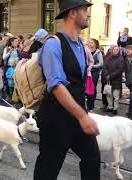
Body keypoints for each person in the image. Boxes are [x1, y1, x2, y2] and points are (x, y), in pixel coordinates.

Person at [34, 0, 100, 179]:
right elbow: (56, 86)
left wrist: (81, 115)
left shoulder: (80, 45)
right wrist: (82, 116)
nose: (88, 13)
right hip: (56, 118)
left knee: (92, 158)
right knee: (49, 167)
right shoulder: (53, 44)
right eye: (84, 9)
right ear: (72, 13)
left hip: (77, 115)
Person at [102, 46, 124, 115]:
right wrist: (107, 74)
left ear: (119, 51)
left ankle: (115, 108)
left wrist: (110, 76)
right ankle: (110, 107)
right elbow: (104, 67)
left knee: (116, 95)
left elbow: (120, 70)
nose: (115, 50)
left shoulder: (121, 59)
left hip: (116, 79)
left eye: (117, 49)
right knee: (109, 94)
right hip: (108, 80)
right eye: (114, 49)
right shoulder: (109, 58)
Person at [86, 38, 103, 112]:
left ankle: (91, 105)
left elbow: (101, 63)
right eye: (88, 42)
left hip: (94, 72)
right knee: (86, 87)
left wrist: (92, 66)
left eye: (91, 42)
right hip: (87, 71)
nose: (89, 43)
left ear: (95, 44)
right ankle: (87, 104)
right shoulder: (86, 50)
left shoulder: (98, 52)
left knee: (92, 87)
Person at [124, 45, 132, 118]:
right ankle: (131, 112)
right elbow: (126, 71)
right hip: (129, 81)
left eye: (129, 49)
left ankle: (131, 112)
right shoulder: (126, 59)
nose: (127, 51)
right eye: (126, 49)